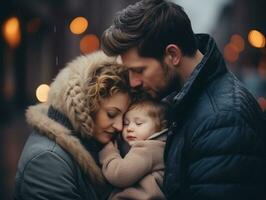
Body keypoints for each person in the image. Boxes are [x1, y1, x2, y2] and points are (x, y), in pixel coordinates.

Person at [101, 0, 266, 199]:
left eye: (139, 70)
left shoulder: (222, 118)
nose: (133, 82)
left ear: (173, 55)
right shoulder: (187, 102)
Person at [14, 51, 131, 200]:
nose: (120, 127)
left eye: (124, 118)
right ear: (88, 105)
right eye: (111, 114)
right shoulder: (47, 160)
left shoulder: (95, 143)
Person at [99, 98, 168, 200]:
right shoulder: (158, 147)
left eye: (138, 123)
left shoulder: (148, 149)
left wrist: (109, 153)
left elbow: (121, 176)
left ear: (160, 127)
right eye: (126, 123)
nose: (129, 128)